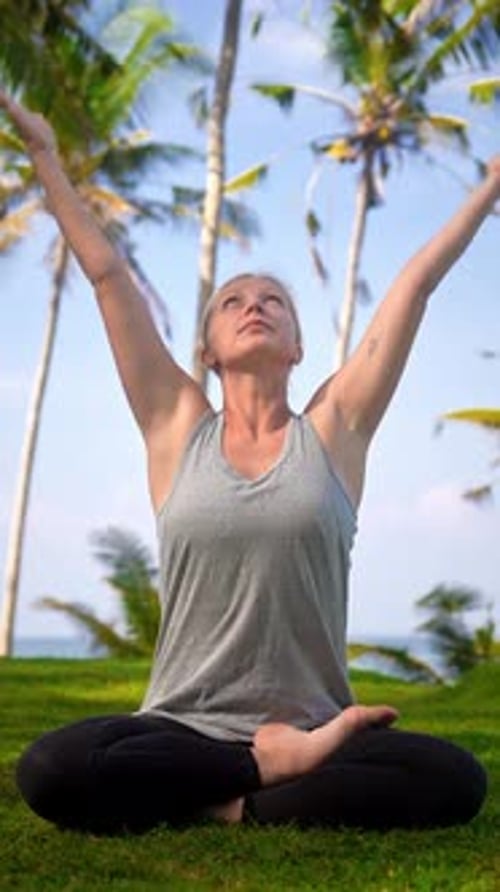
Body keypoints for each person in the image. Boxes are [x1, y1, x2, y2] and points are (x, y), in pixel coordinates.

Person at [2, 88, 497, 835]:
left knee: (457, 779)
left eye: (273, 299)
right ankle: (258, 779)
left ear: (298, 346)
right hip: (182, 730)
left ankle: (243, 796)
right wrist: (43, 152)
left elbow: (414, 287)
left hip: (315, 726)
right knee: (48, 768)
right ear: (206, 349)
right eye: (233, 300)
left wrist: (491, 186)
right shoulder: (176, 427)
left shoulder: (336, 430)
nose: (254, 304)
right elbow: (107, 277)